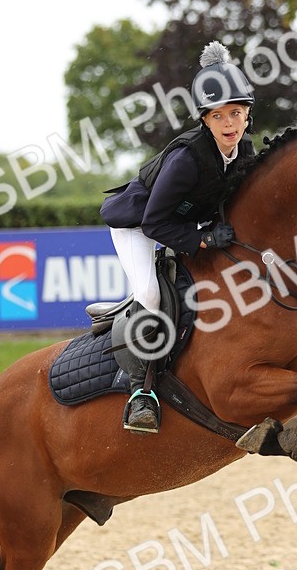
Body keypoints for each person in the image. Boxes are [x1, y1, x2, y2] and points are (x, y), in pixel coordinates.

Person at [101, 40, 255, 433]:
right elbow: (155, 223)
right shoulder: (187, 159)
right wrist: (202, 239)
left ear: (248, 115)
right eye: (218, 116)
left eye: (236, 113)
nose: (229, 124)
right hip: (138, 226)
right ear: (205, 120)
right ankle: (141, 391)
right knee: (151, 295)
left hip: (180, 224)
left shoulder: (244, 149)